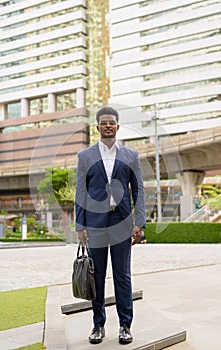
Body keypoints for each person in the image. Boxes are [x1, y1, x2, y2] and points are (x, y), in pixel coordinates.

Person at [75, 106, 146, 345]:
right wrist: (80, 225)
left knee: (122, 276)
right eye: (103, 122)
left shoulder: (131, 155)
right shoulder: (85, 156)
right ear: (97, 127)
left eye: (112, 122)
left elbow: (138, 190)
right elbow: (81, 192)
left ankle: (125, 325)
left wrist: (140, 222)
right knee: (96, 278)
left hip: (121, 223)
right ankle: (98, 325)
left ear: (117, 126)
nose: (108, 125)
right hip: (94, 225)